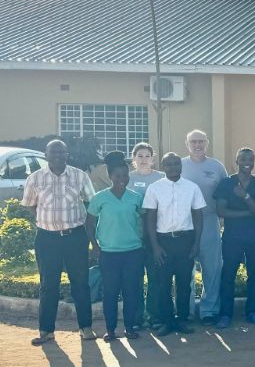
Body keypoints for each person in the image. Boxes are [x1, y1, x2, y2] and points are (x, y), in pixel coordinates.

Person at [22, 139, 97, 346]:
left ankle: (85, 327)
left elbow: (92, 201)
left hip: (75, 237)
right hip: (47, 239)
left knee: (81, 283)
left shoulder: (79, 176)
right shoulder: (35, 178)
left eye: (61, 152)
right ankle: (46, 331)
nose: (57, 155)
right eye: (52, 152)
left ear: (67, 155)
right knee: (48, 285)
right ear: (46, 155)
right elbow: (29, 204)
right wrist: (45, 219)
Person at [142, 152, 206, 337]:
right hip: (163, 241)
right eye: (168, 164)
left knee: (184, 283)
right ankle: (167, 321)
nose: (173, 167)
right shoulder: (154, 188)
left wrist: (196, 243)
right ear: (163, 167)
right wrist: (155, 246)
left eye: (176, 163)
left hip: (186, 240)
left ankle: (182, 320)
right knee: (163, 283)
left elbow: (198, 217)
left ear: (181, 165)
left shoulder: (192, 187)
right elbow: (150, 220)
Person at [85, 152, 144, 342]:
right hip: (109, 253)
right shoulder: (99, 198)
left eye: (125, 176)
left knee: (131, 291)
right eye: (117, 176)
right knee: (110, 292)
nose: (122, 179)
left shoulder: (136, 197)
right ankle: (110, 330)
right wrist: (95, 245)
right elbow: (90, 224)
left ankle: (129, 327)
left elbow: (143, 221)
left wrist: (143, 240)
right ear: (110, 176)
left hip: (133, 252)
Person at [214, 148, 255, 329]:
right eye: (243, 158)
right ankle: (225, 314)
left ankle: (253, 312)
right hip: (232, 237)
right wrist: (249, 212)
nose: (247, 162)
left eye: (251, 159)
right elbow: (221, 211)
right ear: (236, 161)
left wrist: (245, 196)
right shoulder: (226, 183)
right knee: (228, 275)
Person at [180, 130, 227, 325]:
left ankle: (209, 310)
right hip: (184, 223)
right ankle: (187, 310)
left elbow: (225, 193)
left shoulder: (216, 166)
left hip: (209, 221)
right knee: (185, 269)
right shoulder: (179, 165)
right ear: (187, 143)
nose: (197, 145)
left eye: (201, 141)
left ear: (207, 143)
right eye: (194, 142)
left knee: (212, 268)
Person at [127, 142, 165, 329]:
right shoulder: (126, 178)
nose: (143, 159)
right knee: (135, 278)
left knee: (155, 277)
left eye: (147, 156)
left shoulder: (162, 178)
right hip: (133, 235)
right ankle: (136, 318)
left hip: (156, 236)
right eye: (139, 156)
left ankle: (154, 316)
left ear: (153, 158)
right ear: (133, 158)